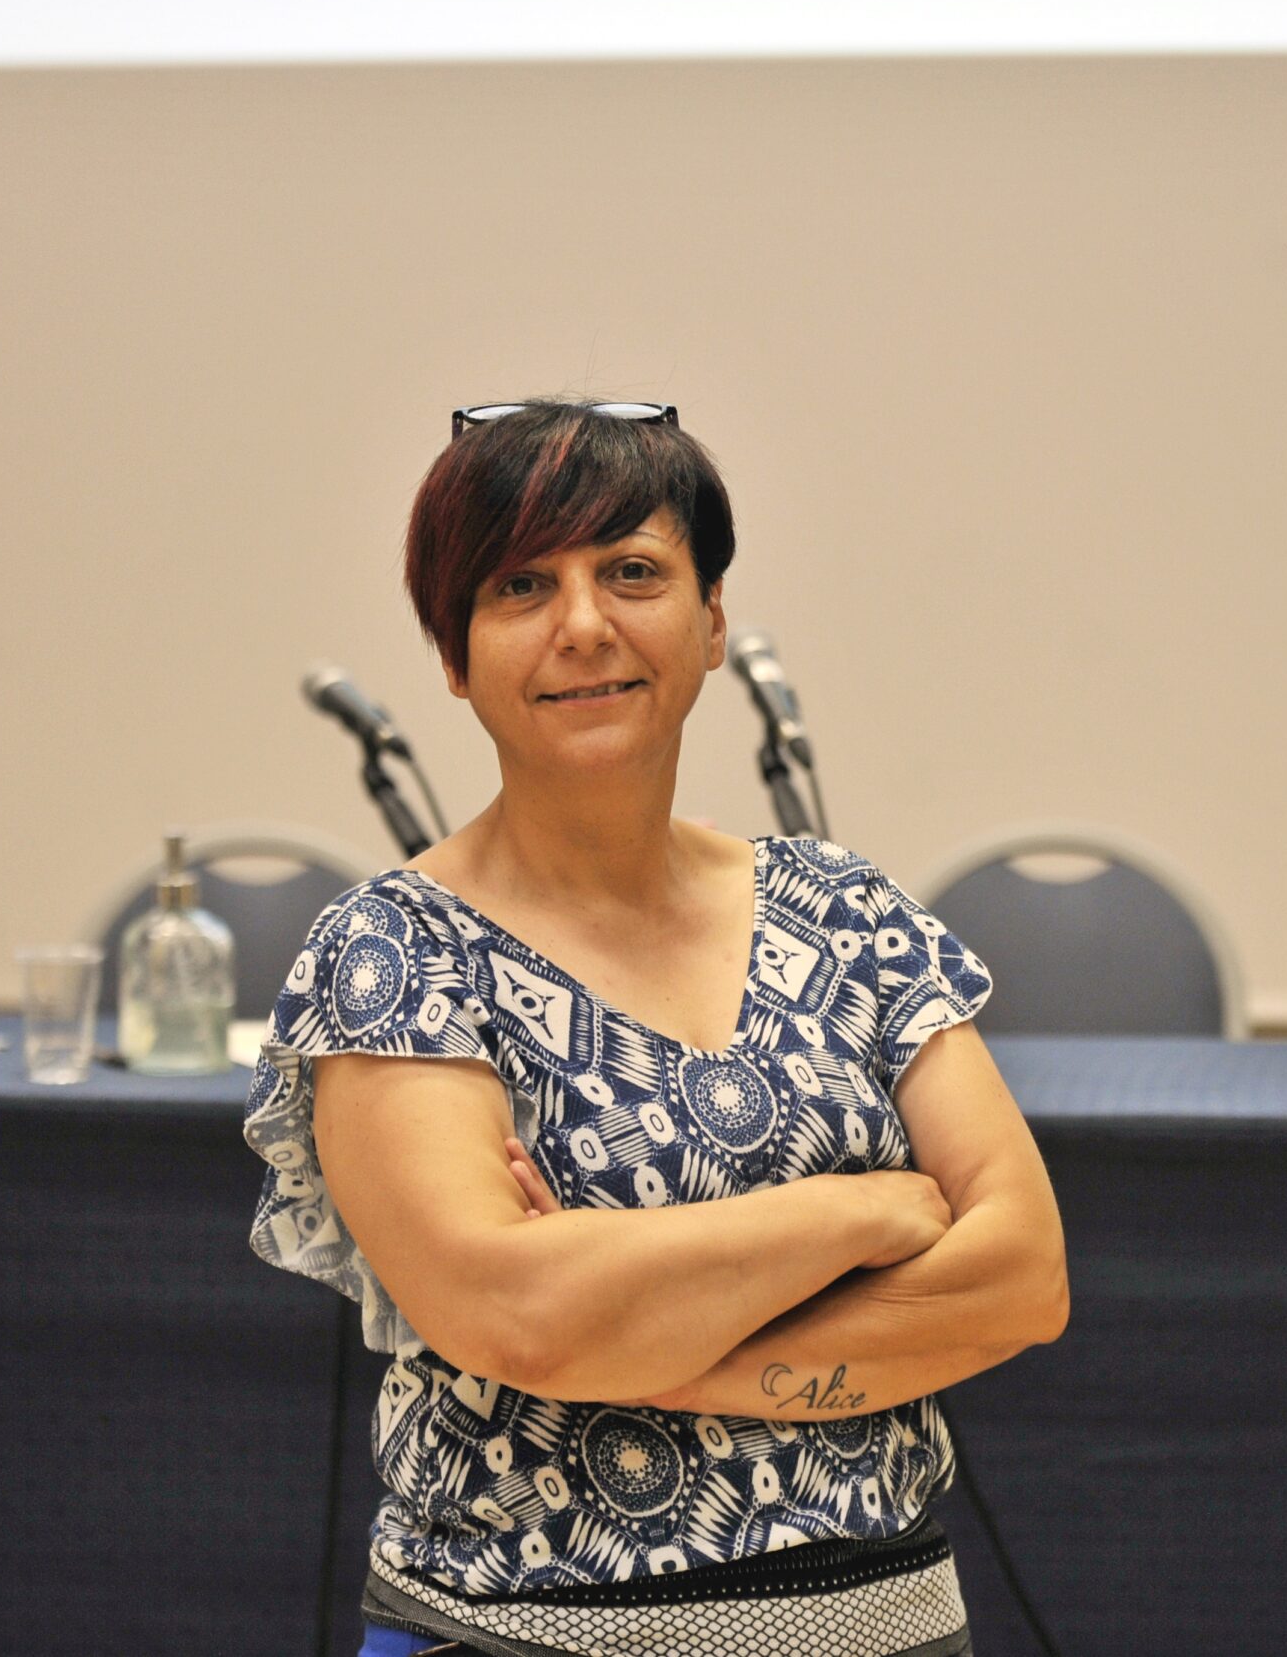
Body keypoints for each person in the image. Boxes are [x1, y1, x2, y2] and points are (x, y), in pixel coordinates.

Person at [242, 398, 1069, 1657]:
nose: (583, 623)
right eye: (521, 585)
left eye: (631, 571)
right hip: (524, 1632)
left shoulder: (843, 909)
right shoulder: (395, 952)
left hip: (891, 1622)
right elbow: (514, 1313)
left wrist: (653, 1341)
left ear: (712, 619)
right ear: (455, 655)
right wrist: (863, 1211)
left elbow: (1020, 1279)